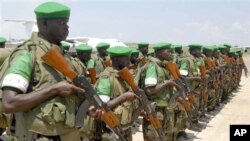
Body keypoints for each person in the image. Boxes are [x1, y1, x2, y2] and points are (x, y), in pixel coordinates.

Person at [0, 2, 99, 141]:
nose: (67, 27)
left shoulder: (65, 57)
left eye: (67, 22)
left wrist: (86, 108)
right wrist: (54, 90)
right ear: (44, 24)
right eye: (62, 22)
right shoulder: (26, 55)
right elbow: (9, 103)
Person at [135, 42, 180, 141]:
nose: (171, 53)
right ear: (159, 53)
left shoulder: (161, 66)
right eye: (168, 51)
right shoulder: (152, 66)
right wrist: (167, 83)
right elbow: (150, 90)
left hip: (162, 109)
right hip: (155, 110)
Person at [94, 46, 138, 141]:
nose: (128, 61)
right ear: (116, 59)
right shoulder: (106, 77)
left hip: (124, 126)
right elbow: (102, 106)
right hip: (110, 130)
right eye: (126, 58)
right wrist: (124, 97)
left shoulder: (124, 75)